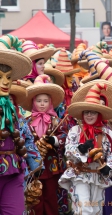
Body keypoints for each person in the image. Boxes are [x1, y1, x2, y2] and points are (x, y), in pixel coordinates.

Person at [59, 82, 112, 215]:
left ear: (99, 113)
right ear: (82, 114)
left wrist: (109, 167)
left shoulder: (107, 133)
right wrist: (80, 149)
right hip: (80, 174)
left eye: (93, 112)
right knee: (84, 209)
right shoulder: (75, 130)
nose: (89, 115)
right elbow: (68, 150)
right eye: (87, 112)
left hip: (98, 175)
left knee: (96, 209)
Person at [24, 74, 67, 215]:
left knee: (50, 197)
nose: (42, 104)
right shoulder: (27, 121)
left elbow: (65, 136)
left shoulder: (56, 120)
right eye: (39, 101)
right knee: (34, 198)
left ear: (51, 102)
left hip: (51, 165)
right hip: (33, 166)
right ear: (33, 102)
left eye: (45, 101)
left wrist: (53, 140)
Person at [0, 44, 32, 214]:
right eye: (0, 77)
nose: (6, 82)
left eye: (9, 77)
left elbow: (23, 138)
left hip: (13, 173)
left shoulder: (11, 108)